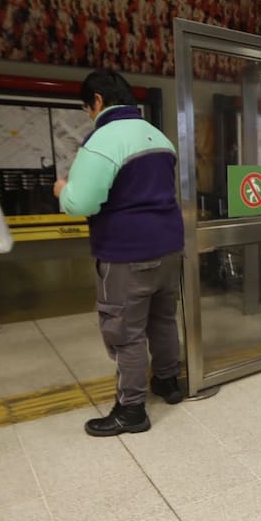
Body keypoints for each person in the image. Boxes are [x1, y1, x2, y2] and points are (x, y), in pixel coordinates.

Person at [53, 69, 185, 437]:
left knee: (125, 331)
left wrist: (62, 189)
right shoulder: (158, 136)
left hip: (128, 253)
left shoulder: (103, 139)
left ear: (97, 101)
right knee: (162, 319)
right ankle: (168, 381)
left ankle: (130, 410)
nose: (89, 115)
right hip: (169, 246)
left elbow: (83, 202)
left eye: (87, 108)